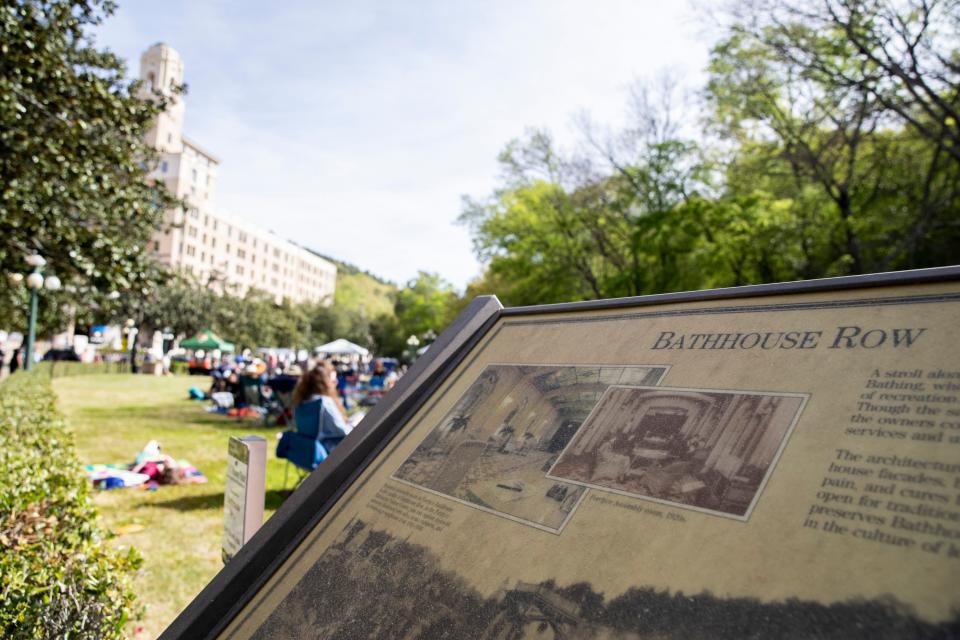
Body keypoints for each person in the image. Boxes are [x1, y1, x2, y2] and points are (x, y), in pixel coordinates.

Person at [292, 361, 352, 453]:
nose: (336, 383)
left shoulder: (302, 402)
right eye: (333, 381)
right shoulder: (324, 402)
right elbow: (343, 431)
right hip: (328, 452)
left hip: (306, 452)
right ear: (325, 383)